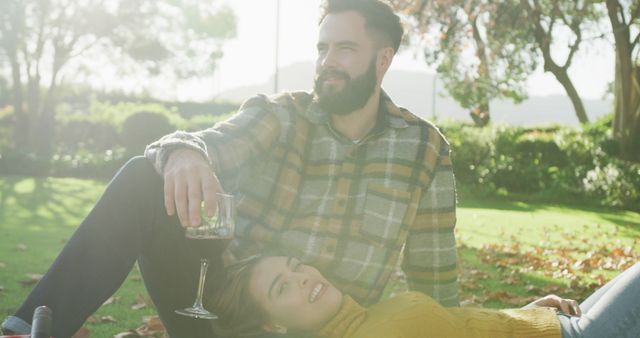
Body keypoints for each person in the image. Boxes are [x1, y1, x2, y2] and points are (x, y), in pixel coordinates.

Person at [2, 0, 458, 336]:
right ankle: (29, 330)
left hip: (329, 326)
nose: (326, 63)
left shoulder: (425, 150)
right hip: (219, 309)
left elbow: (434, 279)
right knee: (146, 177)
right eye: (322, 49)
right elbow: (208, 142)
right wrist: (186, 154)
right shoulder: (282, 116)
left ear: (383, 59)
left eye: (345, 49)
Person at [211, 255, 640, 338]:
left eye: (295, 265)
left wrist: (521, 313)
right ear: (272, 324)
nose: (302, 277)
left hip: (556, 324)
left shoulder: (365, 316)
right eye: (282, 286)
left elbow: (459, 328)